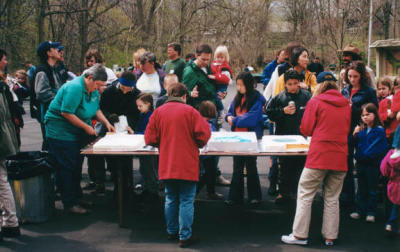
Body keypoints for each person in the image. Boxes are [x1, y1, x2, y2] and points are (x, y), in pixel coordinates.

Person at [281, 77, 350, 246]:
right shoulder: (346, 104)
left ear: (319, 86)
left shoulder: (315, 102)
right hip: (340, 155)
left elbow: (305, 128)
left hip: (319, 155)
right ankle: (330, 236)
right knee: (332, 197)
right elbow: (347, 129)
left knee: (305, 193)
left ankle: (299, 235)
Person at [145, 83, 211, 248]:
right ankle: (185, 235)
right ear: (184, 96)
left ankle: (171, 231)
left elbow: (150, 139)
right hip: (187, 163)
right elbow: (203, 136)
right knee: (187, 199)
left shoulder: (158, 112)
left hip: (167, 162)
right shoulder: (191, 112)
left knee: (171, 198)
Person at [45, 64, 115, 214]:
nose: (99, 89)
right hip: (61, 131)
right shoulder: (74, 88)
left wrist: (106, 122)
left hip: (78, 131)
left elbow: (96, 109)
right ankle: (69, 202)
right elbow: (66, 112)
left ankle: (77, 196)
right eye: (98, 85)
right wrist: (86, 127)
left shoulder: (93, 90)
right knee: (67, 166)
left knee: (77, 165)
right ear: (90, 78)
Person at [266, 69, 311, 203]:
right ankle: (284, 193)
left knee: (300, 167)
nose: (292, 87)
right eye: (290, 84)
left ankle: (299, 194)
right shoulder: (279, 97)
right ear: (285, 84)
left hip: (301, 137)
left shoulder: (307, 96)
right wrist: (282, 111)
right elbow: (269, 112)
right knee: (284, 167)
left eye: (295, 83)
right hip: (284, 136)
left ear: (299, 83)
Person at [341, 61, 378, 206]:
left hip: (363, 130)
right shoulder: (344, 90)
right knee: (346, 163)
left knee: (364, 166)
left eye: (355, 76)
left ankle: (364, 200)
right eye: (349, 76)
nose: (352, 79)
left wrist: (361, 122)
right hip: (346, 130)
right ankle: (347, 197)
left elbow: (373, 111)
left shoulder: (368, 92)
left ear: (361, 76)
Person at [225, 72, 266, 206]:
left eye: (241, 85)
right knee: (237, 166)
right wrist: (228, 117)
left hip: (251, 138)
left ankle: (254, 197)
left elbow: (252, 117)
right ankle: (235, 197)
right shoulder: (237, 98)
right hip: (238, 137)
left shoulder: (257, 99)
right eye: (237, 85)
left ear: (248, 85)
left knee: (250, 166)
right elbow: (230, 111)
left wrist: (234, 120)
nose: (239, 87)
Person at [350, 103, 388, 222]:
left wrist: (361, 155)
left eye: (368, 114)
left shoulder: (379, 130)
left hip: (372, 164)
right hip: (362, 163)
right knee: (361, 188)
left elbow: (377, 148)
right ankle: (360, 210)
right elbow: (353, 144)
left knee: (372, 188)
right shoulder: (362, 130)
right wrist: (354, 134)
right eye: (363, 115)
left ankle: (371, 211)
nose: (365, 117)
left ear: (375, 114)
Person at [0, 49, 21, 239]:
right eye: (4, 59)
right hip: (5, 135)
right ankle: (9, 222)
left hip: (2, 136)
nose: (6, 62)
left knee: (1, 181)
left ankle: (10, 222)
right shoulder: (3, 84)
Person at [33, 41, 63, 150]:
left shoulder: (53, 69)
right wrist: (60, 99)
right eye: (54, 48)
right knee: (50, 145)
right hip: (48, 115)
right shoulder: (42, 70)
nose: (58, 50)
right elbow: (41, 93)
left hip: (55, 114)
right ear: (49, 53)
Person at [197, 101, 223, 200]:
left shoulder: (202, 121)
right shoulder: (207, 124)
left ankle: (211, 192)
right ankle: (198, 192)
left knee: (210, 173)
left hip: (205, 152)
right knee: (207, 173)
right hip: (207, 153)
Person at [182, 44, 217, 110]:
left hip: (213, 108)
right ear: (196, 56)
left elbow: (213, 85)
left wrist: (222, 93)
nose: (206, 62)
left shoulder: (209, 67)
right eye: (203, 59)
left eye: (208, 59)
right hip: (199, 111)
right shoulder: (189, 72)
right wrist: (190, 93)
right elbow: (182, 92)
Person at [209, 45, 233, 126]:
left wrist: (215, 77)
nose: (219, 59)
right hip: (215, 85)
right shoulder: (213, 64)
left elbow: (226, 79)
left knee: (218, 98)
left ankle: (222, 111)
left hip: (222, 86)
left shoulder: (225, 67)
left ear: (225, 58)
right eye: (218, 57)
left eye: (221, 57)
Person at [380, 149, 400, 235]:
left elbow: (383, 168)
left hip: (392, 182)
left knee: (391, 203)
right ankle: (391, 223)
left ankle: (389, 223)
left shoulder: (391, 153)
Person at [379, 77, 398, 145]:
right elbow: (380, 116)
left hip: (393, 130)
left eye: (384, 88)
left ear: (390, 89)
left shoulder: (390, 100)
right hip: (388, 132)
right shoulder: (381, 101)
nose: (381, 91)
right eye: (379, 89)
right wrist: (388, 116)